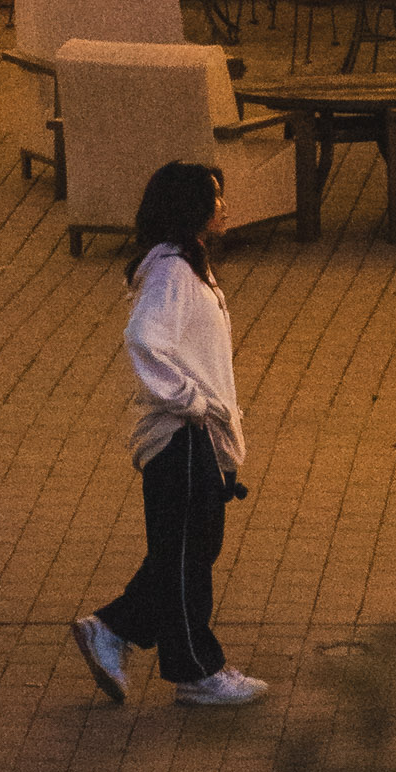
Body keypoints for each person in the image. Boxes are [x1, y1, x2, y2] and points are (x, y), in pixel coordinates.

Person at [71, 157, 265, 711]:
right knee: (186, 557)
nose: (223, 206)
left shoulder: (184, 267)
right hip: (182, 437)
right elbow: (144, 340)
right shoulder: (172, 274)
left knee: (189, 549)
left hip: (197, 437)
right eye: (214, 197)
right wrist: (194, 402)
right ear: (190, 210)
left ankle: (112, 629)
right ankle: (195, 669)